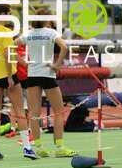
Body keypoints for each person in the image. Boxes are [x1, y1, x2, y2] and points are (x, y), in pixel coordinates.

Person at [14, 9, 78, 159]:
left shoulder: (29, 33)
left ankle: (39, 147)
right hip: (47, 74)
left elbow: (10, 47)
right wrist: (57, 65)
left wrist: (23, 63)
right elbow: (64, 47)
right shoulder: (51, 32)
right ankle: (60, 147)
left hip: (32, 75)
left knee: (34, 113)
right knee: (59, 112)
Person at [0, 4, 29, 160]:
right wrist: (10, 77)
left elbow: (9, 53)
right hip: (8, 75)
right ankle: (27, 148)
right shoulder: (6, 32)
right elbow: (8, 54)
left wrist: (25, 63)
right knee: (19, 110)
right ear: (2, 14)